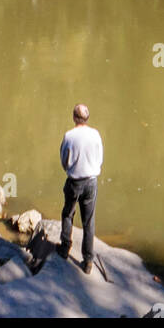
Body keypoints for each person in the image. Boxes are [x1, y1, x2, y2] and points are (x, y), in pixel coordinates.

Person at [59, 103, 103, 274]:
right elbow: (100, 159)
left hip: (74, 181)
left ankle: (64, 248)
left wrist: (70, 169)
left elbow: (64, 158)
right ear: (87, 118)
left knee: (68, 213)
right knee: (88, 221)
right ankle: (88, 261)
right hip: (91, 181)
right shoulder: (96, 135)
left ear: (74, 117)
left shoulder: (69, 136)